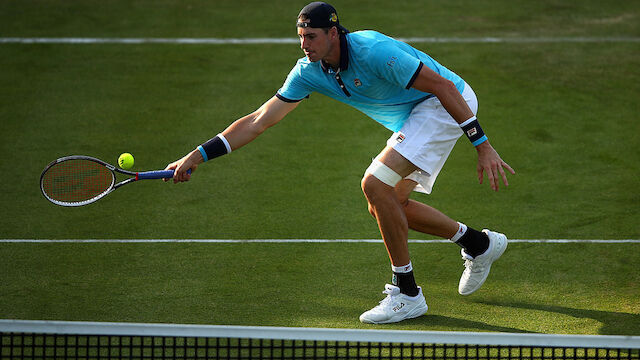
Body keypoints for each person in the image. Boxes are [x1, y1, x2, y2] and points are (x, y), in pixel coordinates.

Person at [165, 2, 515, 324]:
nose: (304, 45)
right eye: (300, 37)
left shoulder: (374, 51)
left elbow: (441, 86)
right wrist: (197, 154)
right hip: (414, 114)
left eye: (311, 36)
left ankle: (407, 293)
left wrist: (482, 145)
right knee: (387, 205)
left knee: (374, 185)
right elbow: (259, 120)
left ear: (334, 33)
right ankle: (478, 244)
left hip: (443, 102)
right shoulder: (308, 71)